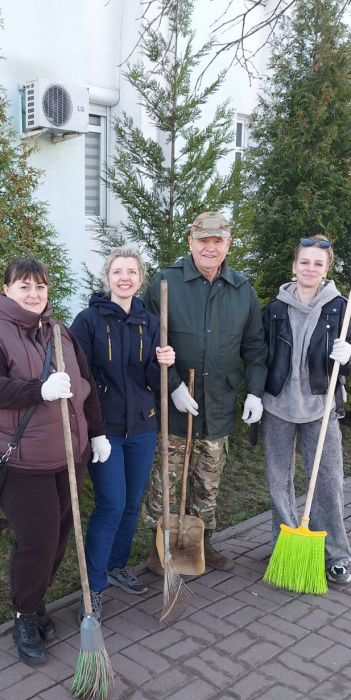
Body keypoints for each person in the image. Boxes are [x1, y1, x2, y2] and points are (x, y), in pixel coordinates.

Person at [0, 257, 109, 665]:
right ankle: (24, 614)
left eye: (40, 286)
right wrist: (38, 390)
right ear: (5, 289)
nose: (33, 294)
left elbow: (85, 384)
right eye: (24, 286)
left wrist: (96, 432)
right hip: (23, 462)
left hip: (69, 456)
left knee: (60, 535)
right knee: (37, 541)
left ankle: (36, 599)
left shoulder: (59, 332)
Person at [143, 211, 268, 572]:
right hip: (175, 402)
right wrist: (173, 385)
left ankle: (202, 543)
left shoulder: (241, 289)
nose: (210, 248)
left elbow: (255, 348)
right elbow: (148, 346)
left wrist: (255, 393)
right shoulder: (166, 283)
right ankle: (157, 546)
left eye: (218, 241)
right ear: (191, 242)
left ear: (228, 244)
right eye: (203, 241)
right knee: (167, 477)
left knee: (208, 479)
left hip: (219, 403)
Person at [70, 245, 176, 620]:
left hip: (143, 426)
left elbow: (150, 379)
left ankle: (115, 566)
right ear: (107, 278)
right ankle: (93, 587)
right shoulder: (88, 321)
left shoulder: (150, 321)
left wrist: (165, 365)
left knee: (131, 503)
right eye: (118, 271)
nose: (125, 278)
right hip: (106, 430)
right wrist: (92, 427)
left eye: (132, 272)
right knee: (111, 504)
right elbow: (79, 376)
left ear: (141, 279)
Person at [260, 236, 351, 584]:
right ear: (294, 266)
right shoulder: (274, 309)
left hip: (321, 405)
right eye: (305, 262)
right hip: (278, 406)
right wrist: (254, 394)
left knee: (328, 481)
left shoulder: (340, 308)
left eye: (318, 263)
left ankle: (335, 553)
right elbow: (261, 357)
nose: (310, 268)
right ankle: (286, 546)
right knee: (278, 480)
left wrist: (347, 357)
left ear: (326, 269)